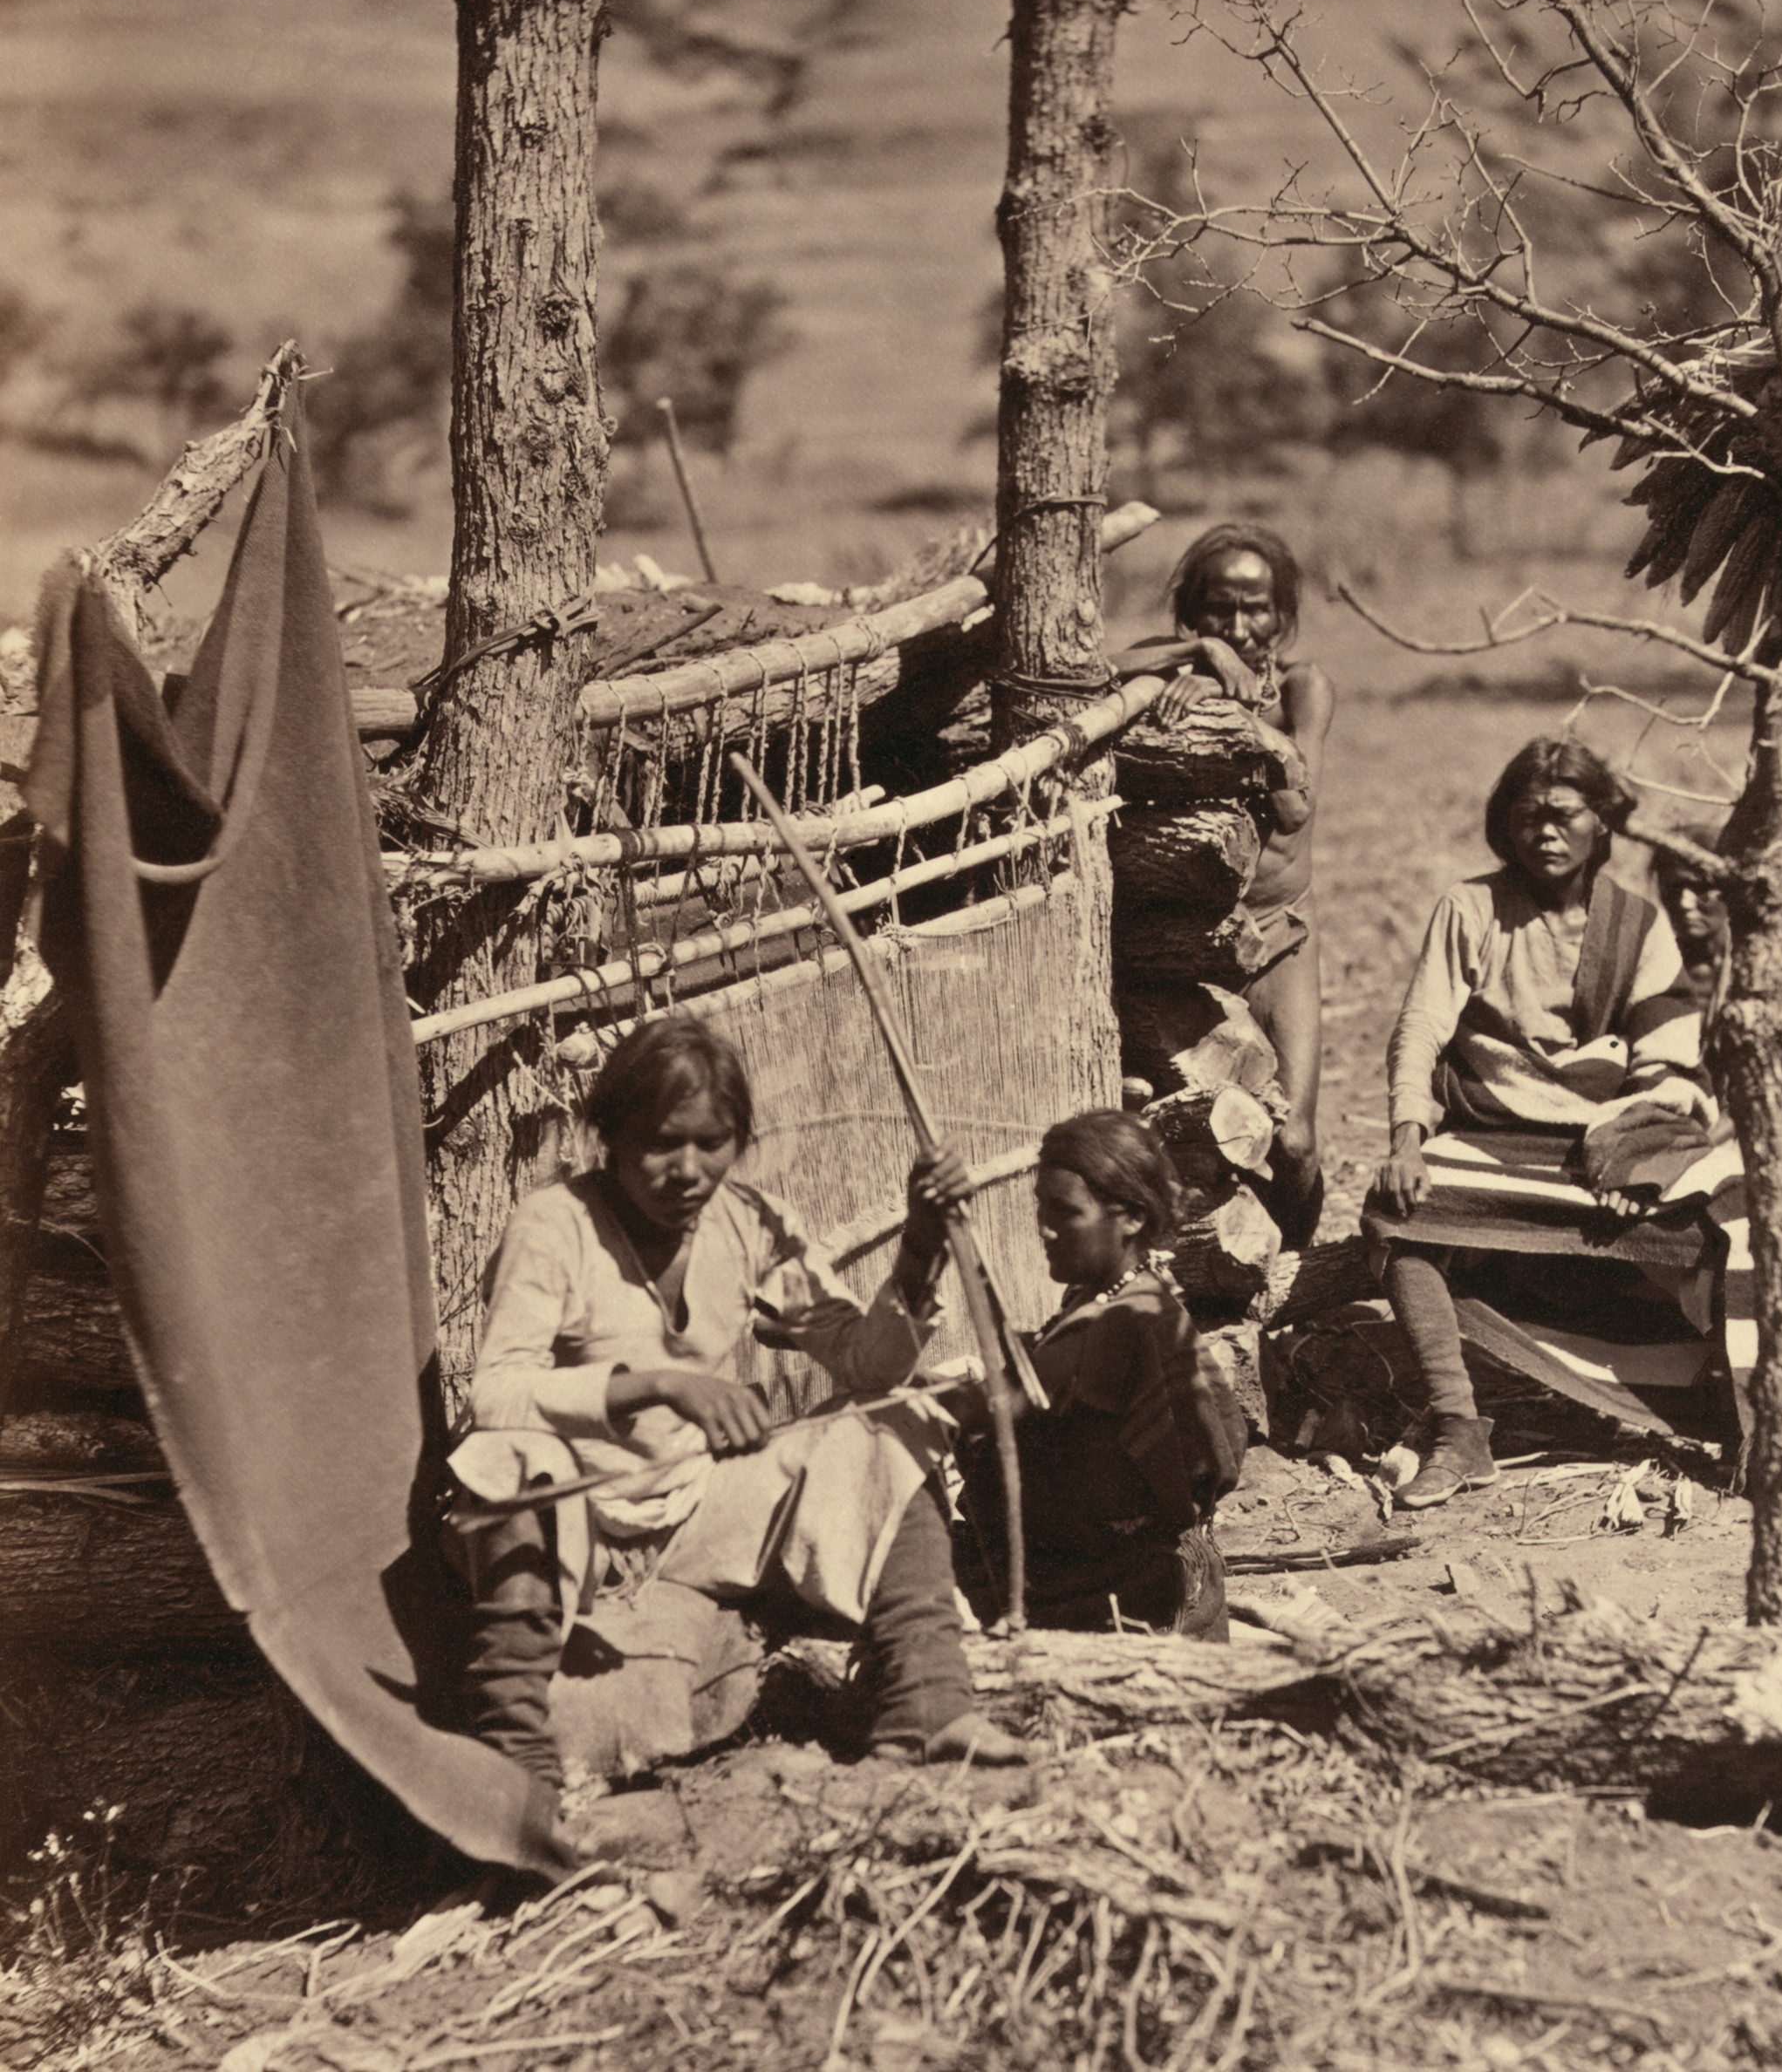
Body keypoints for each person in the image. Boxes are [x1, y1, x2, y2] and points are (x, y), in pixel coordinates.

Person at [446, 1012, 1027, 1803]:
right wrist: (656, 1385)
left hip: (696, 1508)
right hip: (580, 1529)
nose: (687, 1171)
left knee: (889, 1421)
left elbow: (867, 1363)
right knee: (506, 1457)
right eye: (661, 1144)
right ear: (608, 1137)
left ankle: (926, 1702)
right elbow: (496, 1393)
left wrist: (919, 1247)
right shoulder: (553, 1226)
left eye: (711, 1143)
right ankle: (517, 1761)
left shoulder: (747, 1222)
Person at [1369, 739, 1710, 1509]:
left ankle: (1704, 1409)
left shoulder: (1637, 925)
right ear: (1504, 825)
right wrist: (1405, 1139)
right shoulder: (1470, 909)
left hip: (1604, 1140)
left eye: (1563, 816)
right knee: (1396, 1216)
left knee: (1718, 1222)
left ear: (1601, 823)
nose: (1545, 834)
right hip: (1490, 1131)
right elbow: (1421, 1026)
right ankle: (1458, 1426)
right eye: (1527, 817)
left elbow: (1665, 1058)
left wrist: (1635, 1159)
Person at [1118, 524, 1337, 1247]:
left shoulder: (1303, 689)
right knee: (1194, 1129)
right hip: (1182, 943)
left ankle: (1298, 1270)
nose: (1239, 627)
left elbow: (1295, 806)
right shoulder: (1174, 672)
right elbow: (1091, 672)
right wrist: (1198, 659)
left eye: (1256, 608)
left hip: (1278, 934)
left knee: (1292, 1139)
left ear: (1282, 614)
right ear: (1191, 611)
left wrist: (1232, 714)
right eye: (1218, 609)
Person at [955, 1111, 1246, 1639]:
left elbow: (996, 1405)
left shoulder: (1121, 1323)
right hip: (1140, 1570)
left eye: (1065, 1211)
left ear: (1130, 1217)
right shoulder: (1122, 1294)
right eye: (1041, 1206)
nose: (1044, 1227)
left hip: (1122, 1594)